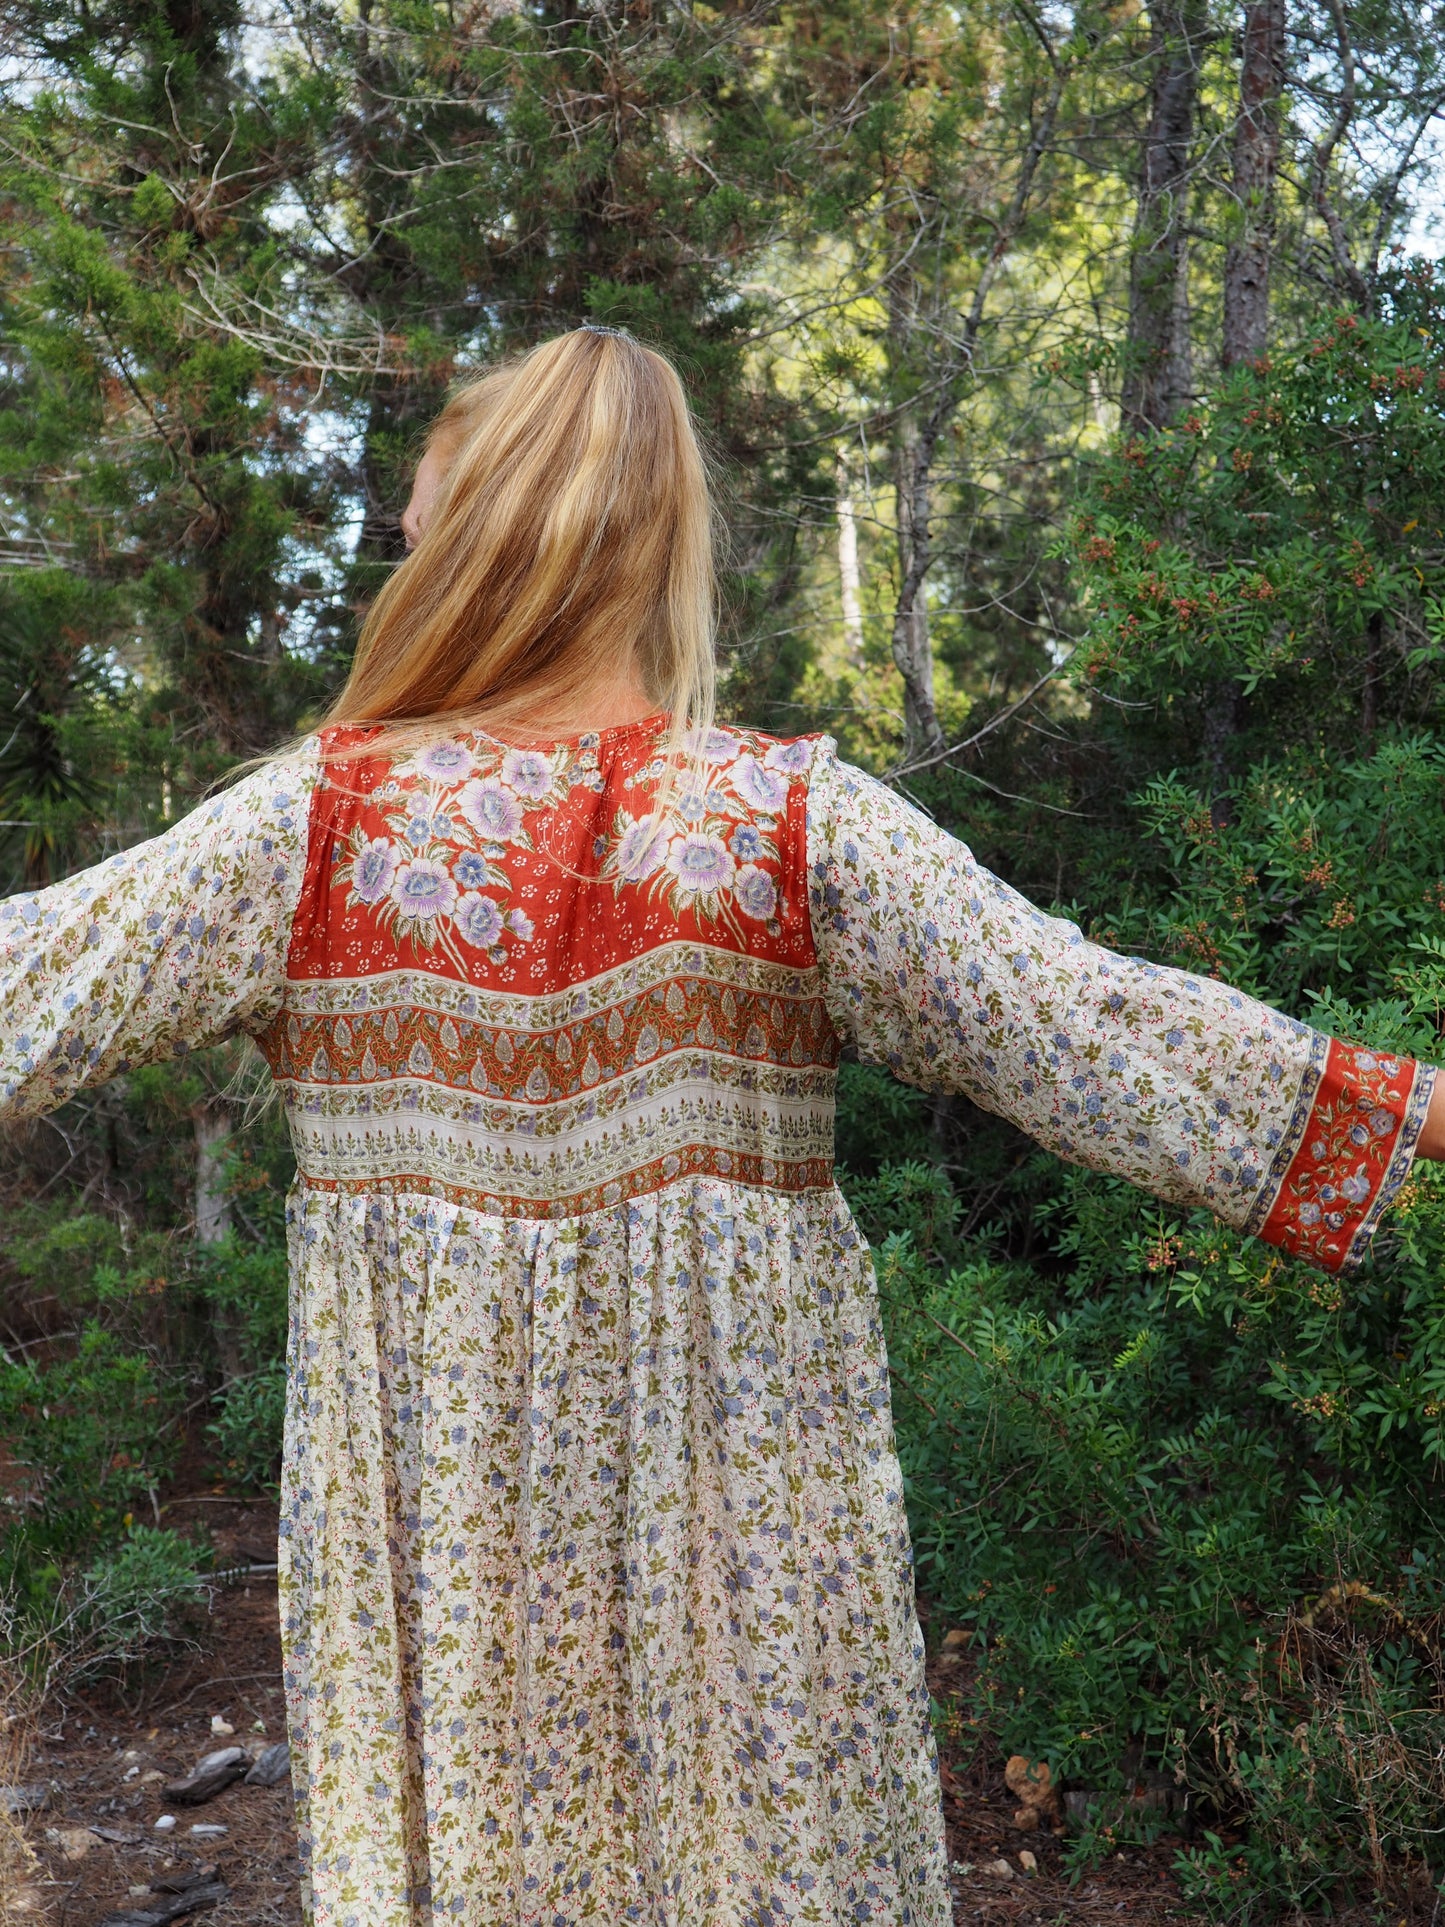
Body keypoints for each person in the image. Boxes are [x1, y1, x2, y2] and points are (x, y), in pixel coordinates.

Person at [1, 326, 1440, 1927]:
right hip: (749, 1580)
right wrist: (1419, 1112)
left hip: (450, 1587)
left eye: (416, 509)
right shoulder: (791, 828)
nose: (399, 540)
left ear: (478, 530)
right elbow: (1093, 1030)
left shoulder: (309, 830)